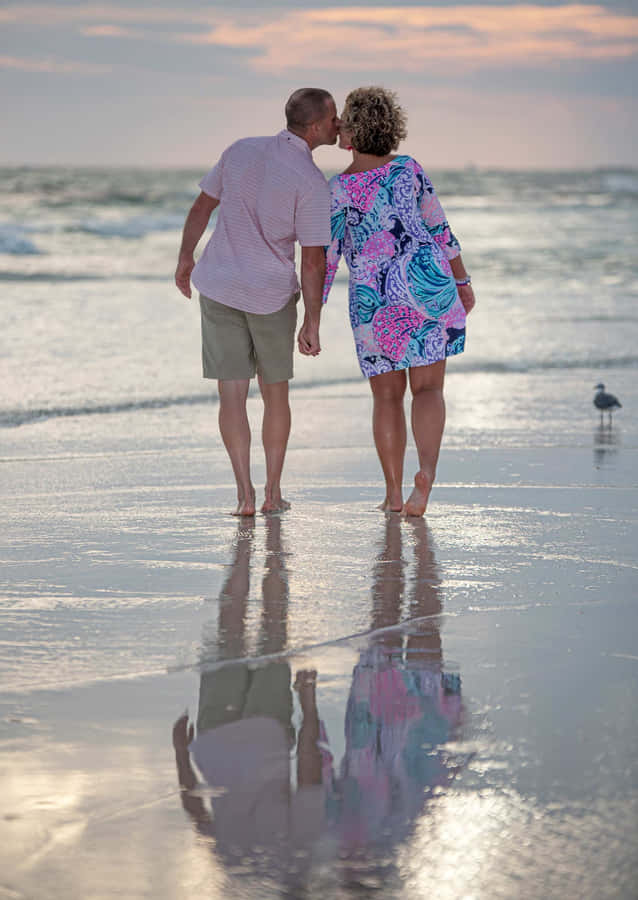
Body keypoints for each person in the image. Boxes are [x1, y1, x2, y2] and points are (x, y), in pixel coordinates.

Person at [175, 89, 340, 515]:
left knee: (230, 395)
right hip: (269, 294)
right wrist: (313, 320)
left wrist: (184, 258)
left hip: (220, 284)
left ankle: (244, 494)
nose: (339, 125)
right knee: (276, 396)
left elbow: (201, 208)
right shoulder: (311, 182)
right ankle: (272, 493)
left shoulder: (239, 151)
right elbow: (313, 260)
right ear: (317, 126)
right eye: (334, 118)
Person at [322, 87, 476, 516]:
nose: (337, 129)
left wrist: (309, 313)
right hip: (429, 283)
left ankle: (392, 493)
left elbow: (327, 258)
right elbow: (440, 228)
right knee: (429, 390)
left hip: (375, 294)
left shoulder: (338, 190)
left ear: (352, 134)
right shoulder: (408, 169)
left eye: (343, 123)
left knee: (387, 397)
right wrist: (462, 281)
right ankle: (425, 475)